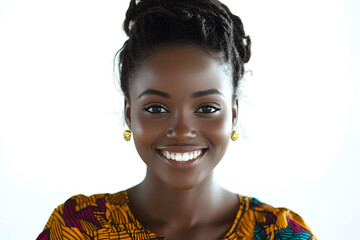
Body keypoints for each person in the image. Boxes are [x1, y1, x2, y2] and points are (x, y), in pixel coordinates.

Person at [36, 0, 316, 239]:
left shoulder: (279, 233)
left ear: (233, 114)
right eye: (157, 108)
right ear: (129, 114)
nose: (182, 131)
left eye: (207, 108)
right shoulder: (78, 229)